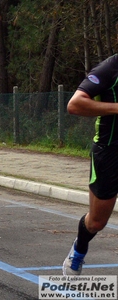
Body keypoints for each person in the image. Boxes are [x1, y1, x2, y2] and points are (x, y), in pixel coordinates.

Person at [63, 54, 118, 275]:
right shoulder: (111, 68)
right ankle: (79, 249)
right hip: (110, 151)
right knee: (96, 222)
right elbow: (75, 105)